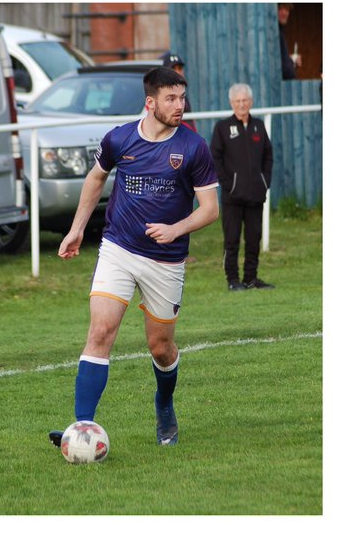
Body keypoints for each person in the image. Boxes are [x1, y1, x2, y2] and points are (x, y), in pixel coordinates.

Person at [51, 67, 219, 446]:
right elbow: (96, 178)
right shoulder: (120, 138)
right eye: (171, 99)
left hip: (166, 261)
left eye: (182, 97)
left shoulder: (193, 147)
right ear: (150, 102)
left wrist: (176, 229)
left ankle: (164, 403)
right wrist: (78, 228)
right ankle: (82, 429)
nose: (180, 105)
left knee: (160, 347)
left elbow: (210, 209)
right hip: (119, 249)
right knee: (100, 332)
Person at [211, 83, 275, 291]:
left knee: (253, 239)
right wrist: (229, 184)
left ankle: (251, 278)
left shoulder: (258, 126)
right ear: (231, 103)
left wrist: (264, 182)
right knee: (232, 240)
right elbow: (215, 158)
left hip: (256, 194)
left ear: (251, 102)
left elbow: (268, 155)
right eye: (237, 101)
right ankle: (233, 280)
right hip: (233, 196)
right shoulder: (222, 128)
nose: (241, 104)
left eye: (245, 100)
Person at [160, 52, 196, 132]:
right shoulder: (160, 95)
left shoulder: (182, 93)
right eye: (173, 68)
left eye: (179, 68)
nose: (177, 72)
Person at [278, 3, 299, 80]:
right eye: (280, 8)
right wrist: (292, 62)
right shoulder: (276, 34)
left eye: (287, 9)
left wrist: (291, 59)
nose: (284, 13)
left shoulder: (280, 33)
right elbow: (287, 71)